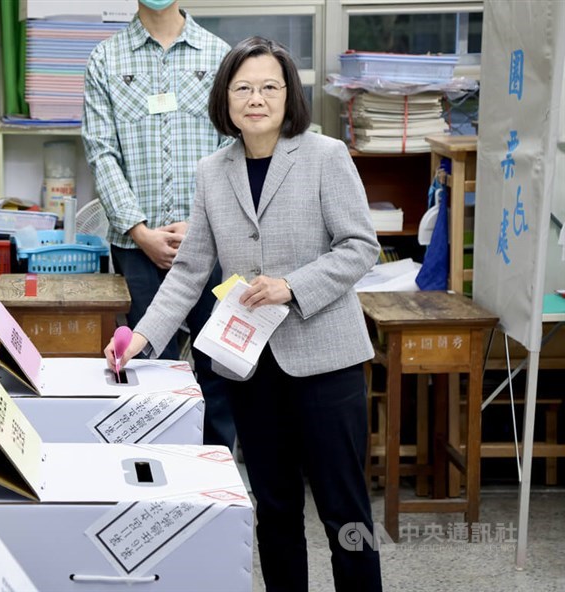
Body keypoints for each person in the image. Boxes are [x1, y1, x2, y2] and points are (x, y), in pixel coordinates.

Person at [104, 37, 383, 592]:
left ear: (288, 95)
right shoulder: (213, 171)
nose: (256, 99)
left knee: (345, 513)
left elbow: (359, 247)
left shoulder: (325, 156)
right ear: (226, 99)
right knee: (274, 511)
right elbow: (189, 270)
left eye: (269, 87)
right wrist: (142, 338)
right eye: (243, 89)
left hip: (326, 363)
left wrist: (292, 286)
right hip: (251, 369)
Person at [82, 0, 236, 451]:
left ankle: (216, 479)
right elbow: (101, 152)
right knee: (147, 369)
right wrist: (139, 230)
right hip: (136, 248)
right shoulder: (105, 59)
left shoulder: (218, 55)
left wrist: (201, 225)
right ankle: (162, 487)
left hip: (210, 245)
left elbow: (233, 146)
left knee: (217, 367)